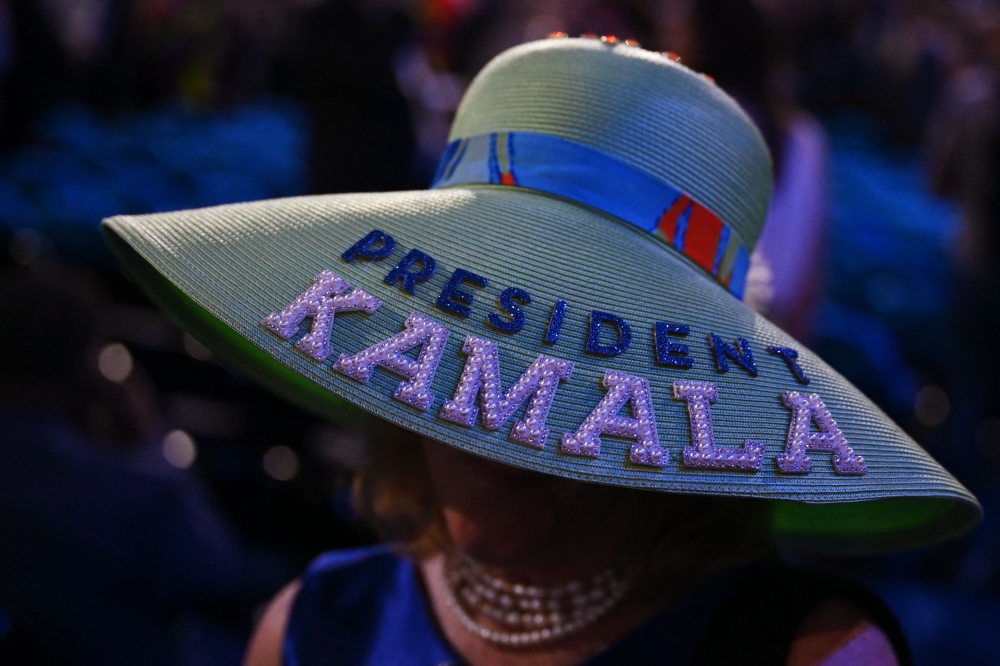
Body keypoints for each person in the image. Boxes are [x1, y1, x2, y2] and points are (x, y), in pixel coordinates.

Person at [102, 35, 980, 665]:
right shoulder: (315, 624)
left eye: (582, 365)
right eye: (481, 339)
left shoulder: (808, 652)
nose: (510, 409)